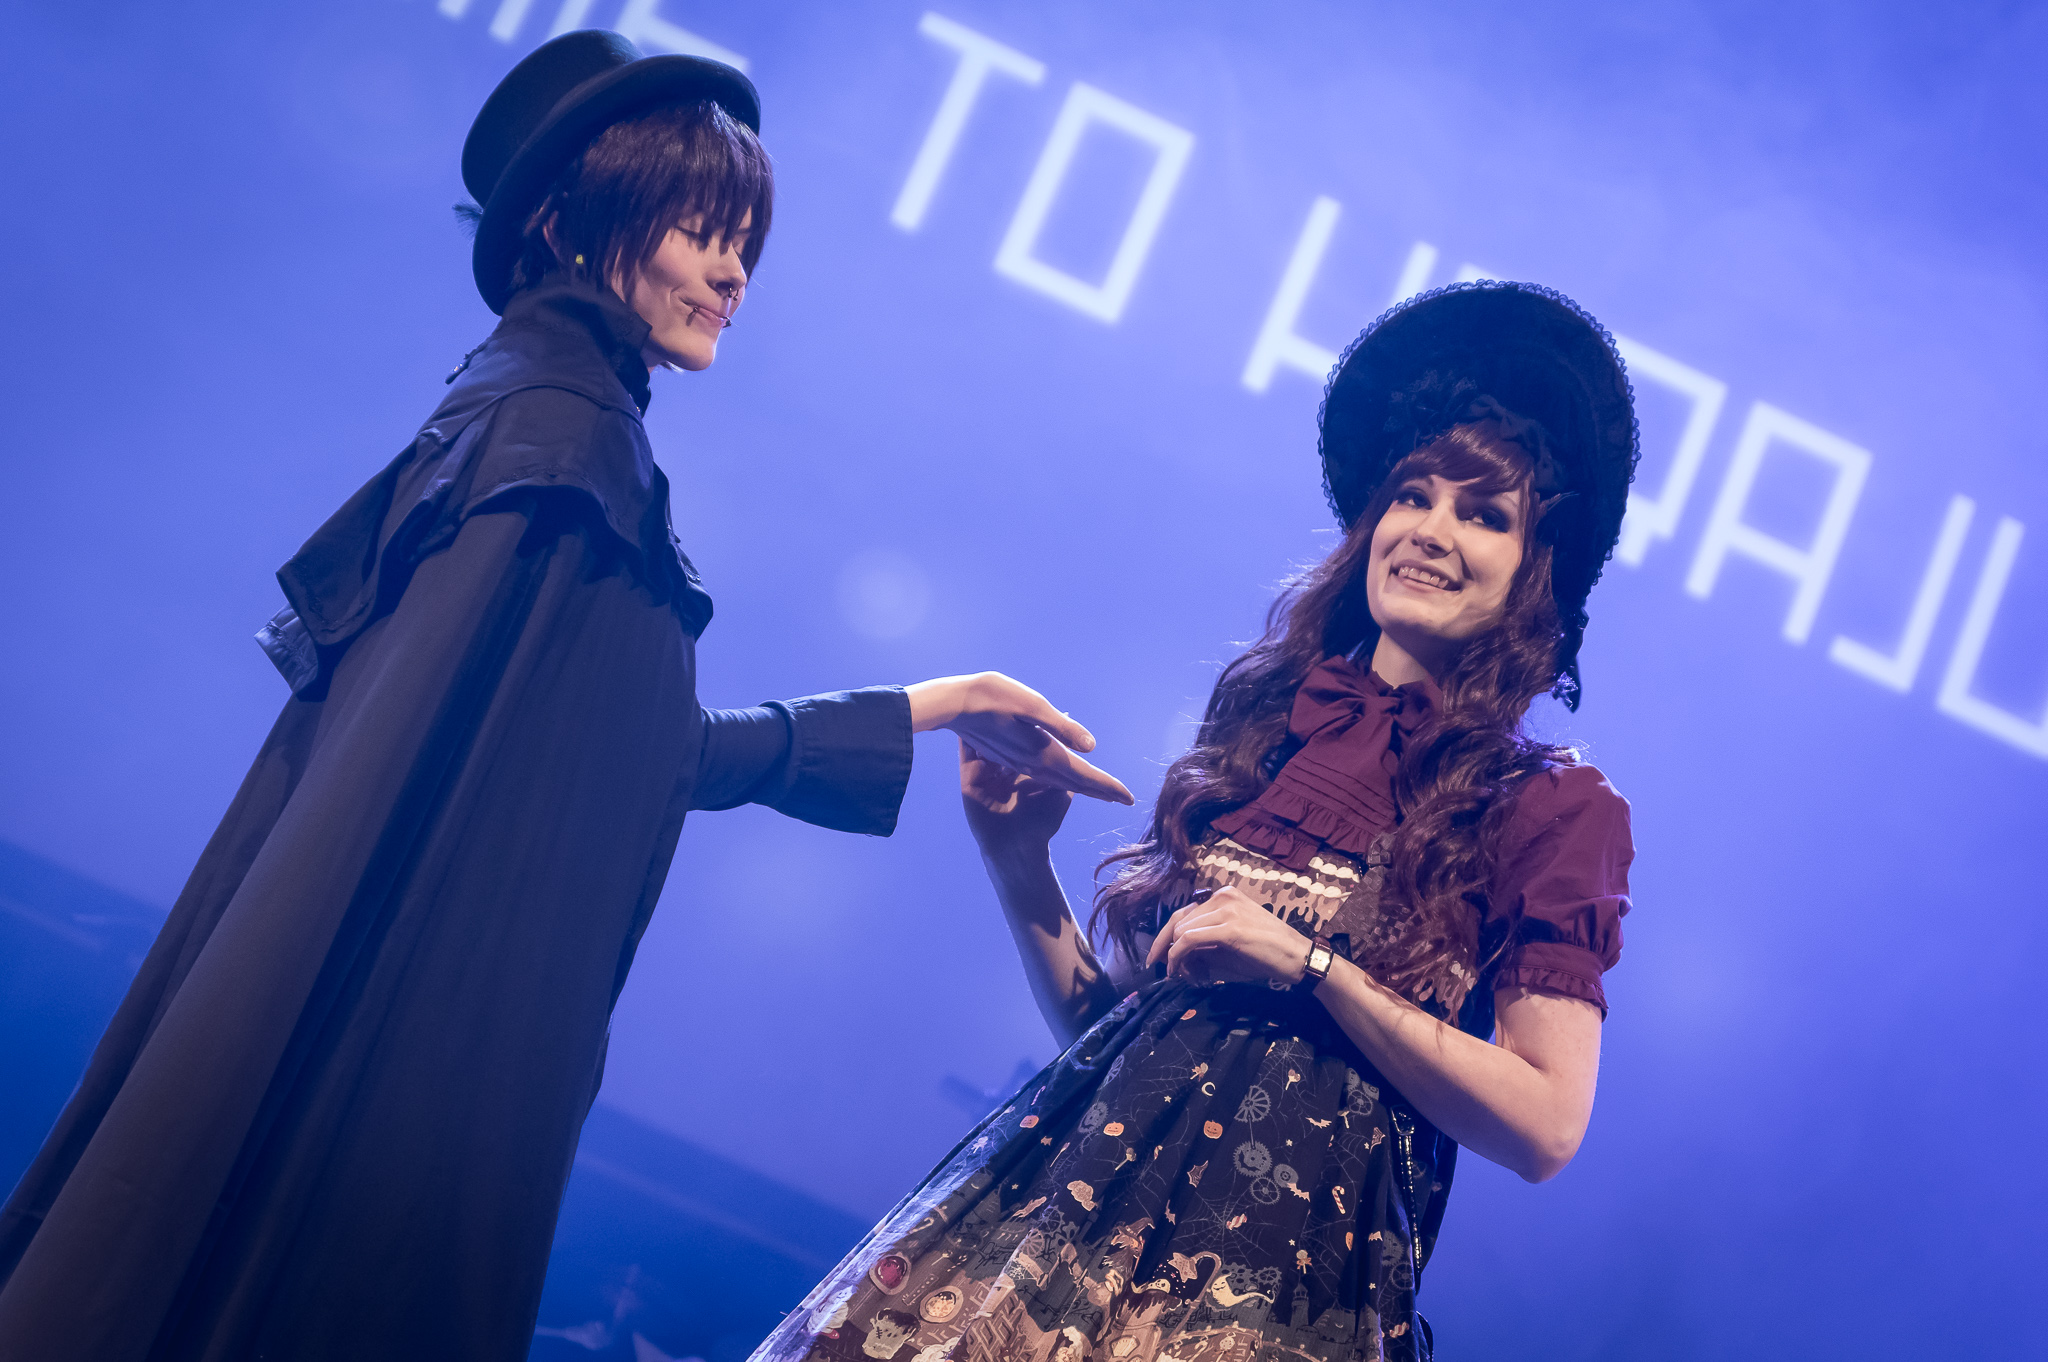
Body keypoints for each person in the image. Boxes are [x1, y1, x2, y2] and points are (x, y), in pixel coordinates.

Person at [0, 31, 1130, 1362]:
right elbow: (569, 761)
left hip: (389, 1010)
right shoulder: (566, 439)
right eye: (701, 232)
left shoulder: (536, 416)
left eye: (745, 242)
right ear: (568, 222)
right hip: (416, 1034)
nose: (734, 274)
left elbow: (622, 743)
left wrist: (933, 704)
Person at [749, 281, 1640, 1362]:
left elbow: (1545, 1125)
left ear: (1536, 570)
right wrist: (1017, 861)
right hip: (1054, 1248)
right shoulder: (1267, 727)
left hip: (1265, 1305)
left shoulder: (1548, 807)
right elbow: (1128, 1051)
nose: (1430, 531)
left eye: (1483, 514)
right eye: (1412, 495)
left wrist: (1311, 966)